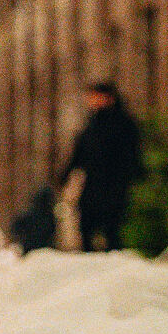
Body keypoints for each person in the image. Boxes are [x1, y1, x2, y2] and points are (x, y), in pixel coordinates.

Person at [59, 80, 143, 252]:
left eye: (96, 97)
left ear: (108, 98)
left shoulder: (124, 124)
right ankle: (90, 261)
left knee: (113, 228)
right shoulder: (91, 125)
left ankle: (114, 261)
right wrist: (65, 175)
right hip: (92, 184)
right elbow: (79, 154)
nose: (92, 101)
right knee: (86, 225)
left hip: (115, 185)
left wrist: (130, 178)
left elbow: (132, 155)